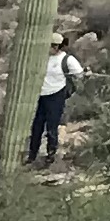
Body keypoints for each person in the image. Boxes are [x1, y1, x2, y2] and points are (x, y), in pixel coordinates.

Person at [30, 33, 76, 163]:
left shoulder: (67, 59)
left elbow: (78, 73)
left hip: (56, 94)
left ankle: (51, 155)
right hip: (41, 95)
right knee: (36, 126)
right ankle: (32, 154)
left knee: (52, 126)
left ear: (56, 46)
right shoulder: (42, 58)